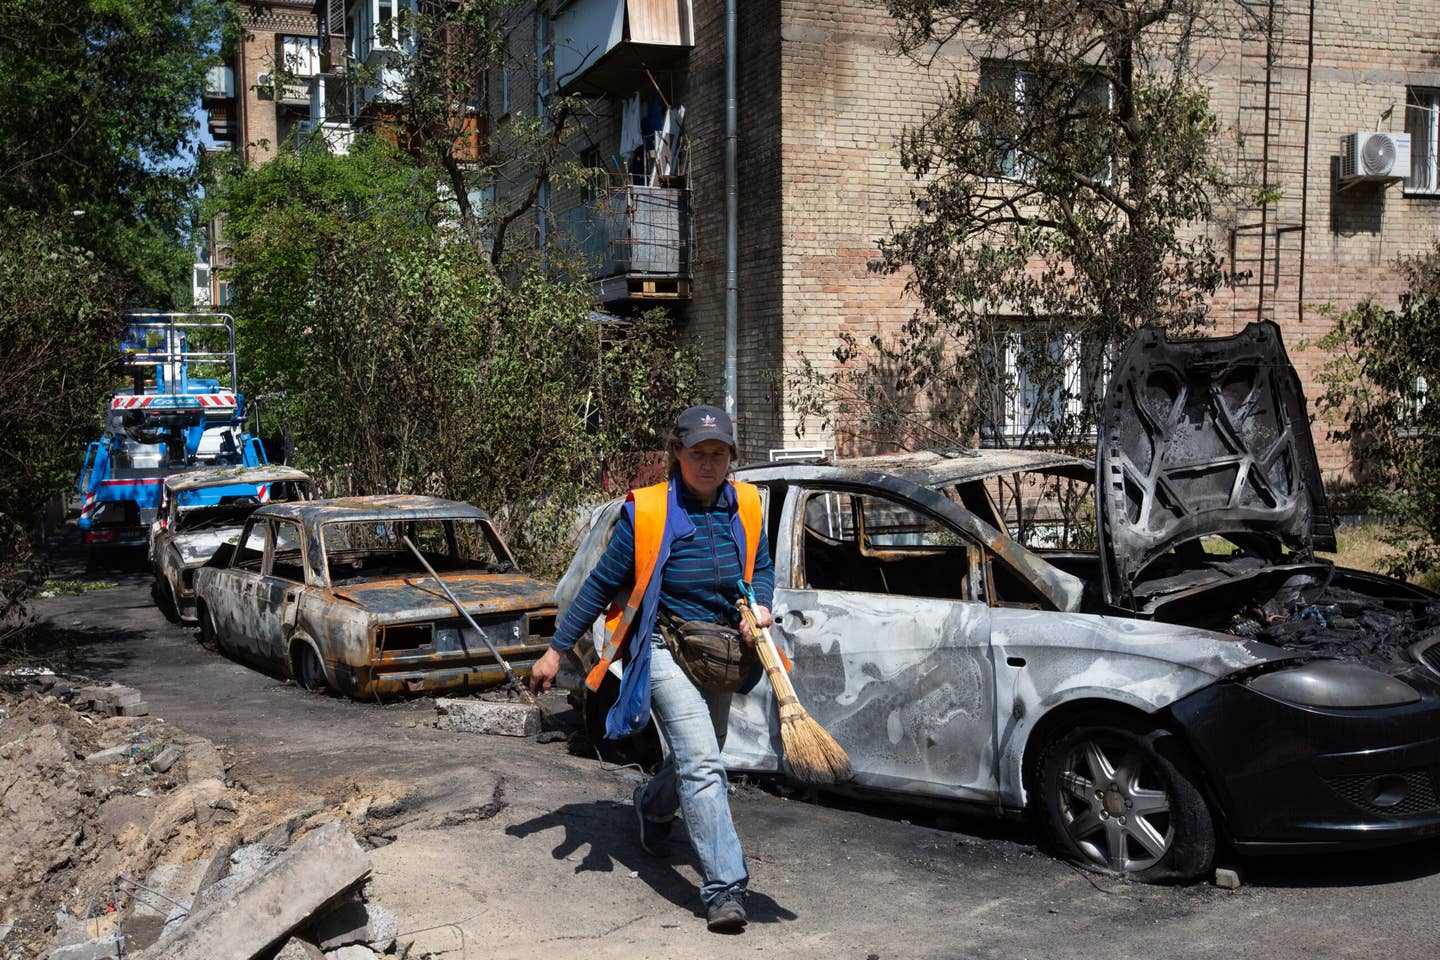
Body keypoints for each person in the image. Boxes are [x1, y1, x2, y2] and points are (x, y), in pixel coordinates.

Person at [528, 404, 774, 933]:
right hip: (662, 646)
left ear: (732, 457)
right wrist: (556, 649)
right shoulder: (650, 512)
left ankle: (652, 805)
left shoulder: (748, 504)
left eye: (719, 454)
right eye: (697, 454)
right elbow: (597, 585)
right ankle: (725, 889)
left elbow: (764, 566)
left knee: (707, 746)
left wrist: (762, 605)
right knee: (703, 761)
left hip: (721, 647)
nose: (708, 464)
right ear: (677, 456)